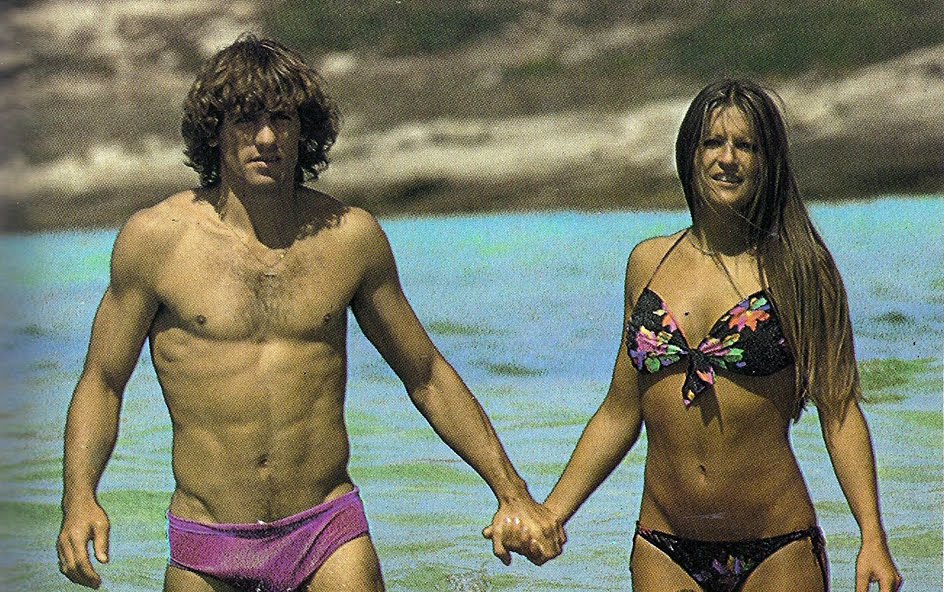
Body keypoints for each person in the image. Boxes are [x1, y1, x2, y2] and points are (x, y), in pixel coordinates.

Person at [56, 34, 563, 591]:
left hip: (326, 529)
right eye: (246, 120)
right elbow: (103, 381)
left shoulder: (350, 238)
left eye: (283, 119)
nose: (266, 138)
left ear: (305, 131)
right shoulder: (155, 241)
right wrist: (80, 498)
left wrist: (513, 493)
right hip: (208, 538)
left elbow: (425, 374)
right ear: (215, 131)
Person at [486, 79, 903, 591]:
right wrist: (552, 512)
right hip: (665, 548)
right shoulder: (648, 264)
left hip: (777, 547)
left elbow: (839, 410)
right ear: (690, 153)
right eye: (713, 143)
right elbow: (620, 412)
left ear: (768, 161)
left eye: (746, 145)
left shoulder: (800, 270)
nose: (728, 158)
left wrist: (872, 537)